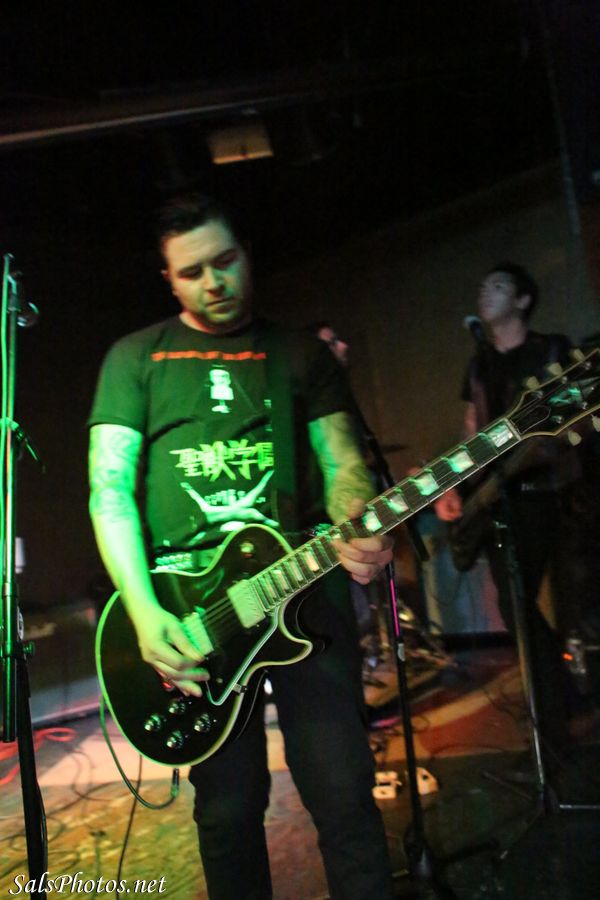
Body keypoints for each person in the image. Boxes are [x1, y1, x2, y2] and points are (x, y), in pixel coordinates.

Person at [88, 193, 395, 899]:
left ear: (246, 253)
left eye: (224, 261)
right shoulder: (136, 358)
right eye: (191, 272)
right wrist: (143, 611)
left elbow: (343, 461)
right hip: (196, 613)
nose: (213, 282)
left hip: (303, 591)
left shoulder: (299, 353)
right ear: (169, 280)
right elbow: (109, 492)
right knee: (227, 812)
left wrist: (359, 519)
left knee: (345, 795)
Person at [436, 261, 578, 769]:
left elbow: (573, 418)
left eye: (498, 286)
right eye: (482, 285)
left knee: (546, 605)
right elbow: (472, 433)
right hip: (498, 502)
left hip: (550, 495)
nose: (485, 292)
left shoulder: (552, 351)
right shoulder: (479, 364)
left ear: (522, 300)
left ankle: (559, 716)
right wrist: (453, 487)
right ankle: (554, 724)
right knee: (516, 607)